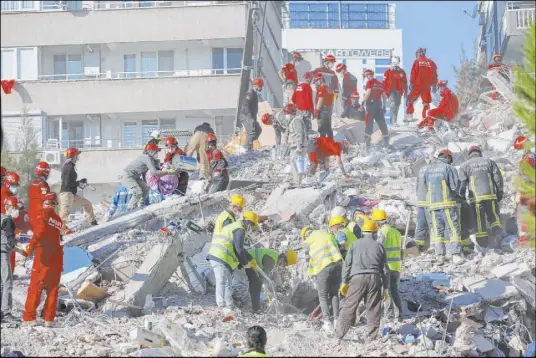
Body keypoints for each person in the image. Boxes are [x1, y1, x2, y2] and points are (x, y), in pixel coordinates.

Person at [336, 219, 390, 341]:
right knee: (373, 308)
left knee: (349, 306)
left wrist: (344, 281)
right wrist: (386, 288)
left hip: (357, 278)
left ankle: (339, 334)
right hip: (374, 278)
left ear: (363, 232)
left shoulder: (354, 245)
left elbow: (347, 265)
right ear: (375, 233)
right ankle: (370, 337)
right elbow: (385, 270)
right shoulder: (379, 246)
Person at [22, 195, 63, 327]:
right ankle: (48, 319)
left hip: (43, 256)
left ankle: (29, 318)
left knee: (36, 286)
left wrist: (29, 249)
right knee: (53, 289)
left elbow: (39, 233)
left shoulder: (42, 215)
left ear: (45, 203)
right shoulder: (58, 219)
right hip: (57, 257)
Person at [206, 211, 259, 310]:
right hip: (219, 255)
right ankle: (221, 305)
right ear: (249, 223)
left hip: (224, 257)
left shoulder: (235, 226)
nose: (251, 229)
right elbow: (238, 248)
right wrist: (245, 264)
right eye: (252, 226)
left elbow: (240, 249)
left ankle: (229, 306)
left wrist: (250, 260)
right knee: (221, 280)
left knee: (228, 282)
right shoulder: (240, 229)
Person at [458, 145, 504, 249]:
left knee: (479, 221)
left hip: (476, 199)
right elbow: (498, 178)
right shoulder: (489, 162)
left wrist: (462, 198)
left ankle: (483, 245)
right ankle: (498, 235)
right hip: (491, 196)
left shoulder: (465, 165)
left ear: (470, 154)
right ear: (479, 152)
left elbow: (462, 184)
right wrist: (500, 192)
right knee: (494, 217)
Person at [301, 226, 343, 333]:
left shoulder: (308, 241)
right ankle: (337, 320)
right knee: (334, 294)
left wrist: (311, 275)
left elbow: (307, 260)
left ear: (305, 236)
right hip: (338, 266)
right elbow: (339, 248)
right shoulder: (326, 233)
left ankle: (327, 323)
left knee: (323, 296)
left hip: (323, 268)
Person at [424, 149, 462, 265]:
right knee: (453, 229)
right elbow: (455, 187)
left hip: (433, 206)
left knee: (437, 231)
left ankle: (440, 256)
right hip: (447, 205)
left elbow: (426, 187)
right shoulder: (449, 168)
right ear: (448, 157)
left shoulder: (428, 170)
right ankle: (455, 255)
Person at [371, 209, 403, 322]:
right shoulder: (396, 232)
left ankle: (388, 315)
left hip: (387, 266)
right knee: (395, 290)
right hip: (397, 266)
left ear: (377, 222)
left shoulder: (383, 232)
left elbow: (377, 247)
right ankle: (399, 315)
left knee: (386, 291)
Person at [123, 143, 175, 211]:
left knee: (145, 188)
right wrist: (169, 172)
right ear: (151, 151)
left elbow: (145, 174)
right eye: (156, 152)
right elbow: (155, 173)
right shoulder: (146, 157)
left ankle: (140, 206)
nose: (157, 154)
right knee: (137, 192)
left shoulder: (149, 159)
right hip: (128, 176)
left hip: (135, 177)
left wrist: (149, 184)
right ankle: (129, 209)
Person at [58, 147, 97, 232]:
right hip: (66, 195)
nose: (78, 157)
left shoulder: (70, 166)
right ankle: (58, 234)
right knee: (64, 215)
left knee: (87, 204)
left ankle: (93, 223)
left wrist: (79, 182)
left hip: (71, 195)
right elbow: (67, 183)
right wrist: (78, 183)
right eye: (77, 155)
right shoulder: (68, 167)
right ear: (74, 156)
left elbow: (70, 182)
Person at [1, 196, 25, 322]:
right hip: (3, 255)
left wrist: (19, 250)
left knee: (1, 284)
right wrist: (21, 244)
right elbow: (9, 241)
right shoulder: (9, 221)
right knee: (7, 283)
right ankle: (6, 314)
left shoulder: (1, 218)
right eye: (15, 208)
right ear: (8, 208)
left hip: (3, 252)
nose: (17, 211)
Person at [406, 48, 438, 122]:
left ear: (418, 54)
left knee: (410, 99)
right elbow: (435, 75)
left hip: (418, 85)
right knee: (426, 103)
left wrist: (411, 82)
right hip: (427, 86)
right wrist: (434, 84)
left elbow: (414, 73)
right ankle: (425, 119)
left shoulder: (417, 61)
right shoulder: (431, 62)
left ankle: (409, 115)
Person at [280, 103, 308, 185]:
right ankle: (300, 181)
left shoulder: (296, 120)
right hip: (296, 146)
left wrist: (299, 146)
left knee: (296, 165)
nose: (286, 115)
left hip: (298, 147)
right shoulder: (293, 120)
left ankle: (298, 183)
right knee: (298, 165)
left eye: (286, 113)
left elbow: (299, 133)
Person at [362, 69, 389, 148]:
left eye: (366, 76)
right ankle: (386, 142)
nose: (366, 77)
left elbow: (368, 93)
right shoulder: (380, 84)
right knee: (382, 124)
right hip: (379, 106)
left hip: (371, 105)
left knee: (369, 124)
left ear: (368, 75)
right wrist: (384, 106)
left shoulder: (369, 83)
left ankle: (367, 144)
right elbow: (384, 96)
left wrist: (362, 102)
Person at [239, 78, 264, 152]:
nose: (261, 88)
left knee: (258, 130)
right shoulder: (250, 93)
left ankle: (248, 143)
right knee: (251, 132)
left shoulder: (254, 93)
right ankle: (247, 148)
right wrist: (249, 116)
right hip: (246, 116)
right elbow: (245, 104)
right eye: (260, 87)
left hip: (252, 117)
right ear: (256, 85)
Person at [383, 56, 408, 126]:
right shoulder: (387, 71)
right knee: (393, 104)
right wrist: (384, 91)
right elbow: (384, 82)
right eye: (393, 63)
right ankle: (393, 122)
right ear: (391, 63)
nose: (395, 64)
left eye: (396, 63)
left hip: (399, 91)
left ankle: (393, 121)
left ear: (398, 63)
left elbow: (405, 82)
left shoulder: (402, 72)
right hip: (391, 90)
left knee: (397, 105)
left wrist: (406, 91)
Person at [415, 160, 432, 252]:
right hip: (429, 202)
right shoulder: (432, 169)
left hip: (420, 201)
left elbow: (417, 187)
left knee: (420, 225)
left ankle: (418, 247)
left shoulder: (421, 170)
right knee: (432, 225)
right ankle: (434, 246)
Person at [29, 162, 51, 228]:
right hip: (40, 214)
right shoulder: (43, 184)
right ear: (45, 172)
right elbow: (46, 199)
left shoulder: (33, 183)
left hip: (32, 212)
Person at [313, 72, 335, 139]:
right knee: (328, 128)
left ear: (320, 80)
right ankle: (331, 143)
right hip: (328, 110)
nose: (316, 83)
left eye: (316, 81)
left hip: (322, 111)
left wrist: (316, 110)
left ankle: (322, 145)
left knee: (321, 129)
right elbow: (332, 100)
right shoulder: (329, 89)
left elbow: (321, 99)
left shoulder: (322, 88)